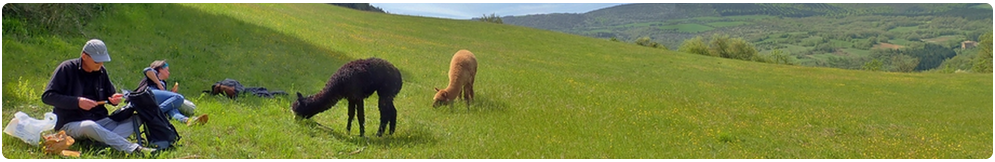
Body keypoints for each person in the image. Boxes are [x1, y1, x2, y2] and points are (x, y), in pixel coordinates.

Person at [41, 39, 156, 154]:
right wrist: (77, 102)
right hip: (72, 123)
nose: (101, 64)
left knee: (138, 118)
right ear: (84, 56)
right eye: (97, 61)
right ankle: (134, 149)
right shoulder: (67, 68)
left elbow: (110, 95)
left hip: (100, 121)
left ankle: (99, 141)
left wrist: (114, 99)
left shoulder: (101, 71)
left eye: (103, 61)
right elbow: (48, 96)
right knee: (89, 126)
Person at [137, 60, 208, 126]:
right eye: (167, 70)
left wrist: (171, 93)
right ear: (160, 69)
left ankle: (187, 120)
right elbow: (147, 70)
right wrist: (158, 84)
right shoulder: (155, 74)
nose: (169, 73)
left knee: (172, 108)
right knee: (179, 97)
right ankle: (156, 113)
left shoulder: (163, 83)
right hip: (148, 94)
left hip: (154, 100)